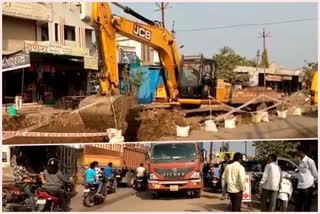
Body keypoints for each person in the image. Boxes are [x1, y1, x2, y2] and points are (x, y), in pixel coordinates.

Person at [295, 145, 318, 211]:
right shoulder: (300, 160)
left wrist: (314, 182)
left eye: (297, 150)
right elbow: (302, 173)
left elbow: (315, 174)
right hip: (300, 186)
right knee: (298, 206)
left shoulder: (310, 161)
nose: (295, 152)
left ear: (301, 151)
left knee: (306, 207)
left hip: (307, 187)